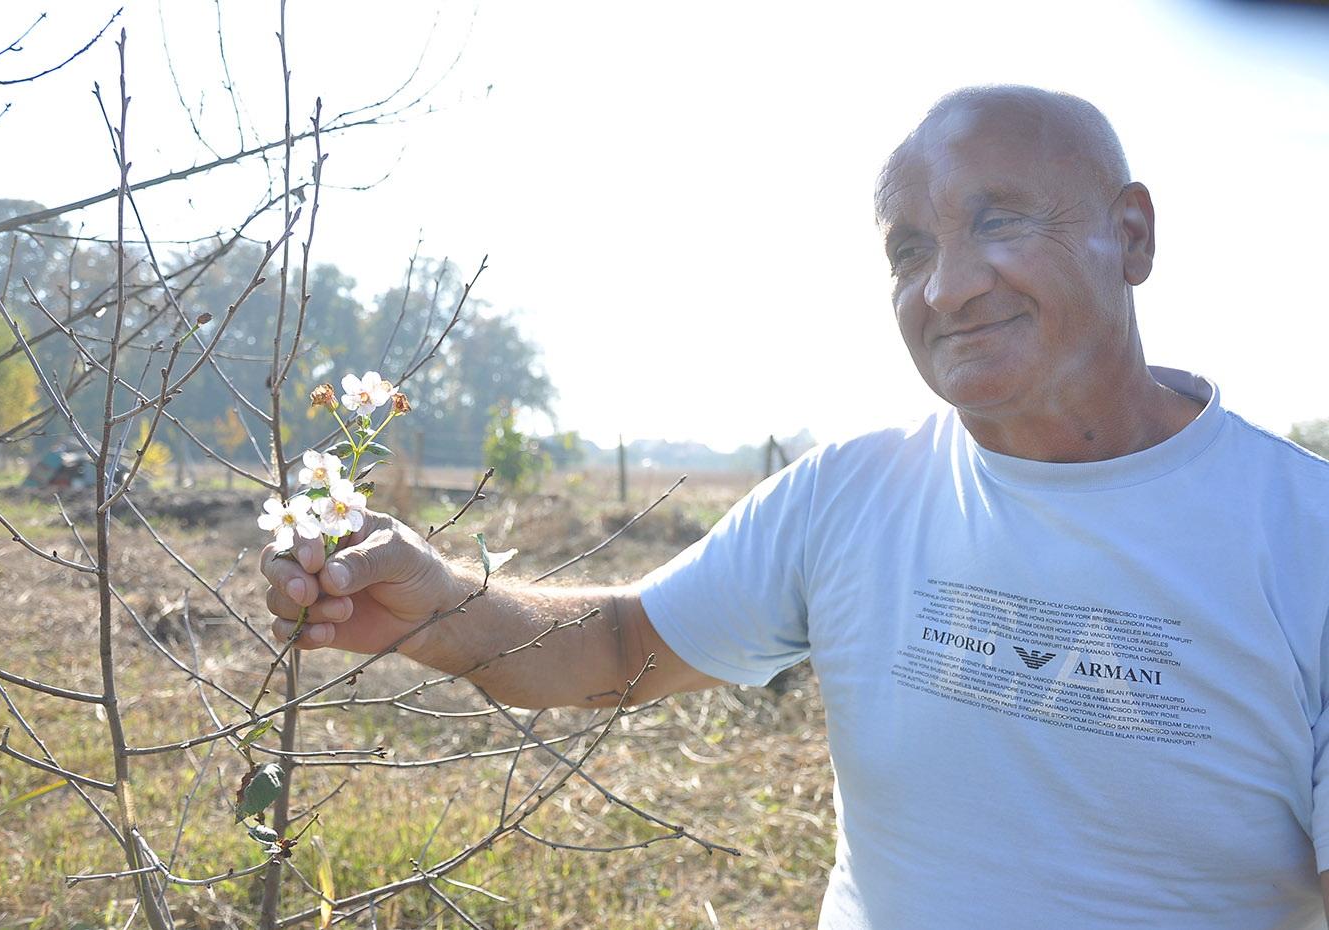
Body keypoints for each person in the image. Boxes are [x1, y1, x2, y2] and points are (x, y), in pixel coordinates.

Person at [262, 86, 1329, 928]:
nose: (946, 287)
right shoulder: (850, 495)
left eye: (998, 220)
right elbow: (619, 649)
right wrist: (436, 607)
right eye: (906, 249)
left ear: (1131, 236)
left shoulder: (1303, 540)